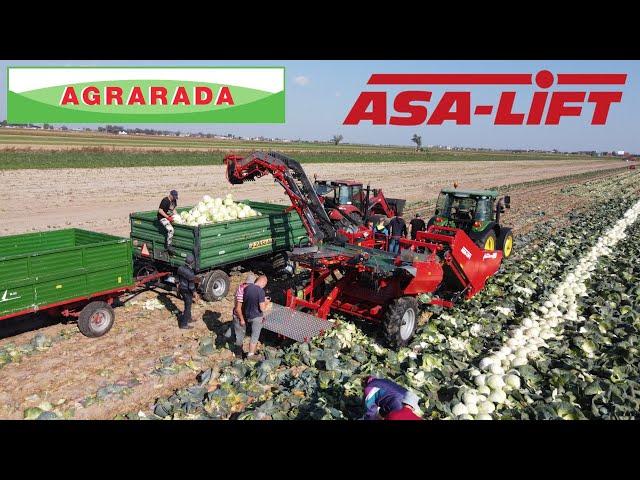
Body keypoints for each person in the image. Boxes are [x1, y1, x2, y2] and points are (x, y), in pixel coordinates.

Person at [235, 275, 271, 359]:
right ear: (263, 282)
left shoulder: (247, 288)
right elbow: (262, 308)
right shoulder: (260, 291)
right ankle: (250, 355)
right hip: (256, 317)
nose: (264, 286)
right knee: (254, 336)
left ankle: (240, 352)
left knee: (244, 334)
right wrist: (266, 302)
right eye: (265, 284)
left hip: (248, 315)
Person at [229, 272, 258, 359]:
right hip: (239, 315)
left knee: (240, 331)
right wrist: (242, 319)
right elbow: (238, 308)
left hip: (242, 314)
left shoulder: (242, 287)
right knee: (240, 336)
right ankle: (238, 354)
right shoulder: (242, 291)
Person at [176, 253, 200, 330]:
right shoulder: (190, 273)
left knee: (187, 305)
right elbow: (191, 286)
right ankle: (183, 324)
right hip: (187, 290)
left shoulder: (180, 268)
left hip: (182, 289)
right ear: (192, 263)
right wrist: (195, 293)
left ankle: (189, 318)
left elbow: (177, 279)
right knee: (188, 307)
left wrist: (178, 287)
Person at [158, 190, 178, 255]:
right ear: (170, 195)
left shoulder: (174, 200)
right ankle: (169, 245)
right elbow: (160, 211)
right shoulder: (165, 200)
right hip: (163, 217)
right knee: (171, 230)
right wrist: (167, 217)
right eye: (174, 196)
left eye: (176, 197)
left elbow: (173, 209)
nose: (175, 198)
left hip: (170, 216)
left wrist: (177, 216)